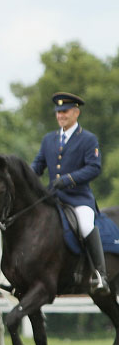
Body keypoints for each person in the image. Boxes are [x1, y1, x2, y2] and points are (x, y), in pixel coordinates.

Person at [31, 92, 109, 295]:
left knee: (85, 225)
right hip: (54, 199)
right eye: (58, 112)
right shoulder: (49, 139)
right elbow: (38, 166)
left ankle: (100, 274)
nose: (60, 116)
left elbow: (94, 168)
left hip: (78, 199)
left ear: (76, 112)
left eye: (64, 112)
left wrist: (67, 180)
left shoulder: (88, 139)